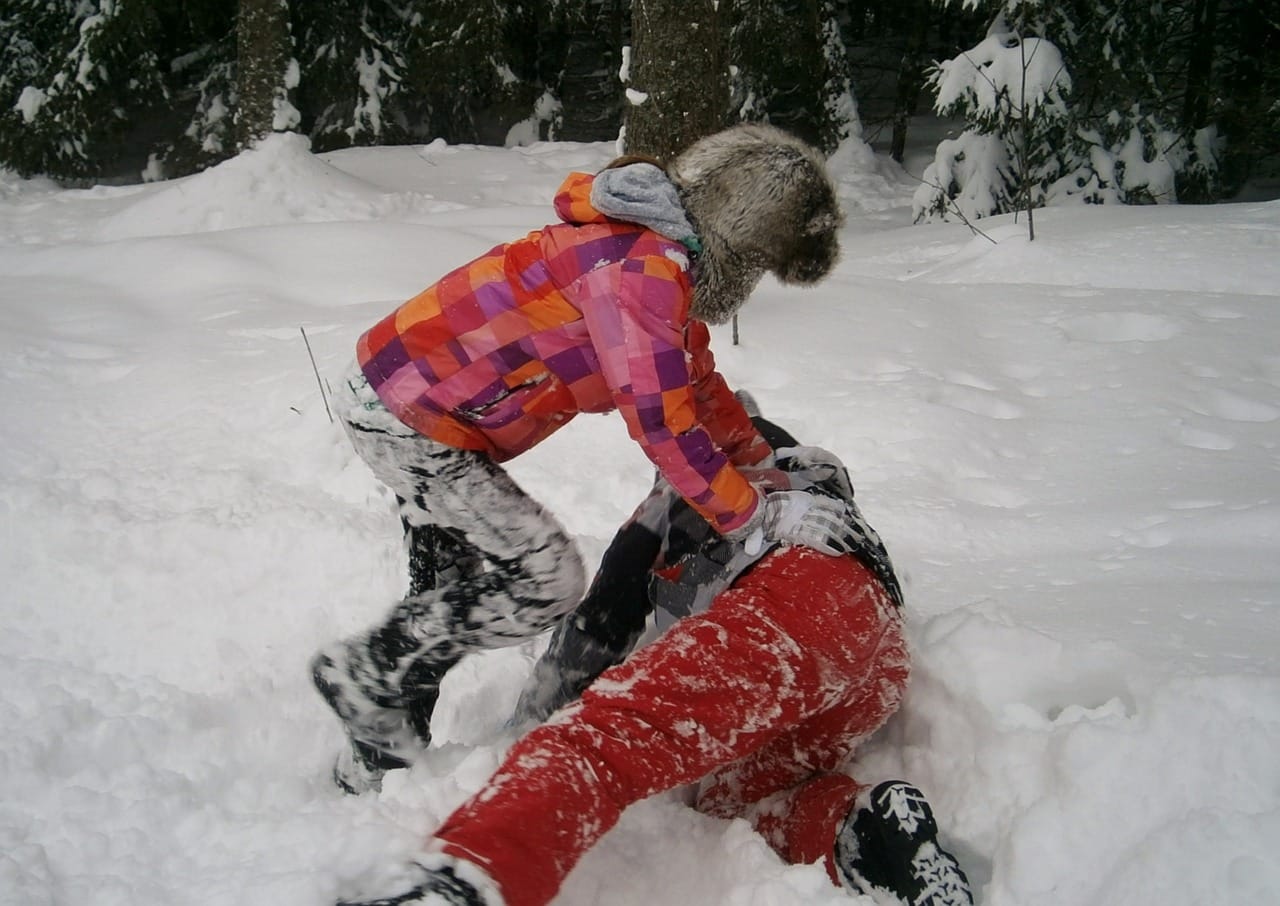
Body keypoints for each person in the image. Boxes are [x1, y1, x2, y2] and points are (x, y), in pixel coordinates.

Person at [311, 123, 851, 794]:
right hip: (410, 416)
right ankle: (367, 672)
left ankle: (374, 760)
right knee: (545, 580)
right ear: (739, 241)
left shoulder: (656, 253)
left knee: (447, 591)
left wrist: (759, 459)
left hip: (404, 397)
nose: (750, 284)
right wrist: (756, 518)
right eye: (759, 265)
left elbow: (696, 385)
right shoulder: (645, 271)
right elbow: (662, 422)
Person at [335, 408, 975, 906]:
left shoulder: (678, 495)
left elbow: (599, 624)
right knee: (733, 804)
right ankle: (858, 828)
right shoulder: (812, 484)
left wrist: (526, 728)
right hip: (877, 654)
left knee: (602, 744)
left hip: (791, 607)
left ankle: (458, 882)